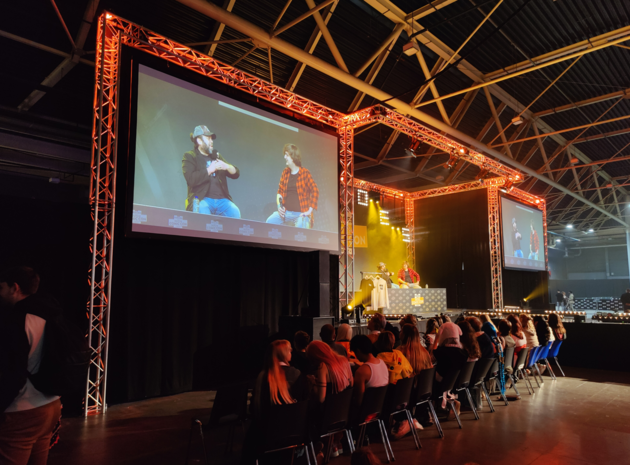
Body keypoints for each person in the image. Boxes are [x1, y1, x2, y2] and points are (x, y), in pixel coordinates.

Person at [0, 267, 62, 465]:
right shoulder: (52, 314)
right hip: (51, 404)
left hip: (22, 410)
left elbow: (12, 374)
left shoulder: (17, 320)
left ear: (14, 288)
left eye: (1, 287)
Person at [182, 125, 241, 217]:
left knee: (234, 211)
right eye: (208, 138)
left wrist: (227, 166)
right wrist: (209, 170)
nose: (211, 141)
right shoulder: (190, 156)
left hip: (222, 201)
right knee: (202, 210)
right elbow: (191, 179)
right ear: (199, 141)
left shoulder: (216, 156)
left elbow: (236, 174)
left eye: (211, 139)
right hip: (202, 200)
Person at [266, 144, 318, 228]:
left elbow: (315, 191)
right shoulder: (285, 172)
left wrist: (309, 211)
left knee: (300, 228)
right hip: (287, 213)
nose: (284, 157)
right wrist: (279, 206)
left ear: (293, 156)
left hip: (301, 214)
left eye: (286, 155)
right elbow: (280, 192)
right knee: (270, 221)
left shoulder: (305, 173)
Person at [350, 335, 389, 408]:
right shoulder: (383, 363)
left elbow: (358, 402)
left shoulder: (361, 372)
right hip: (382, 409)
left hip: (366, 413)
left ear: (358, 351)